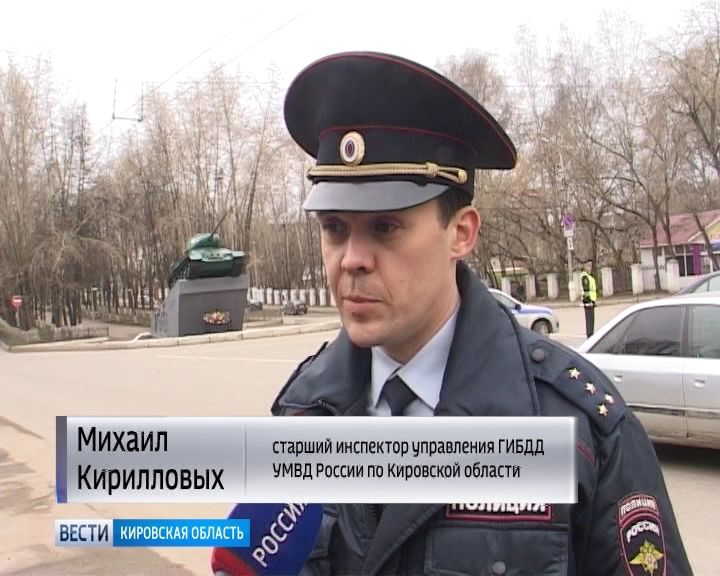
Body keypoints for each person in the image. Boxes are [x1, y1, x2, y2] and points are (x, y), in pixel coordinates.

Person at [272, 52, 691, 576]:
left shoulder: (575, 427)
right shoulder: (304, 411)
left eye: (385, 227)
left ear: (461, 233)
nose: (351, 259)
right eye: (334, 227)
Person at [581, 259, 598, 337]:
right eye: (588, 266)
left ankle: (591, 334)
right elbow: (586, 290)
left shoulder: (589, 276)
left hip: (591, 301)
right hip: (588, 302)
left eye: (591, 266)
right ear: (585, 267)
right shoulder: (585, 277)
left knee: (591, 320)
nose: (590, 268)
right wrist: (589, 301)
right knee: (589, 320)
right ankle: (590, 336)